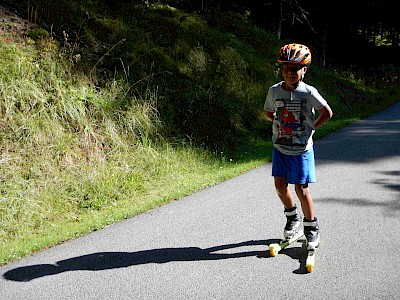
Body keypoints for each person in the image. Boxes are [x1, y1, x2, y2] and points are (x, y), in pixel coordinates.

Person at [264, 43, 333, 250]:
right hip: (280, 148)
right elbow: (268, 112)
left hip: (302, 150)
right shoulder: (274, 91)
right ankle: (292, 218)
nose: (290, 72)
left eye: (295, 68)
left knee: (301, 189)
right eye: (286, 68)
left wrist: (312, 129)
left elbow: (327, 113)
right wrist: (276, 121)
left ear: (305, 69)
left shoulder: (308, 92)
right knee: (280, 186)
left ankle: (311, 228)